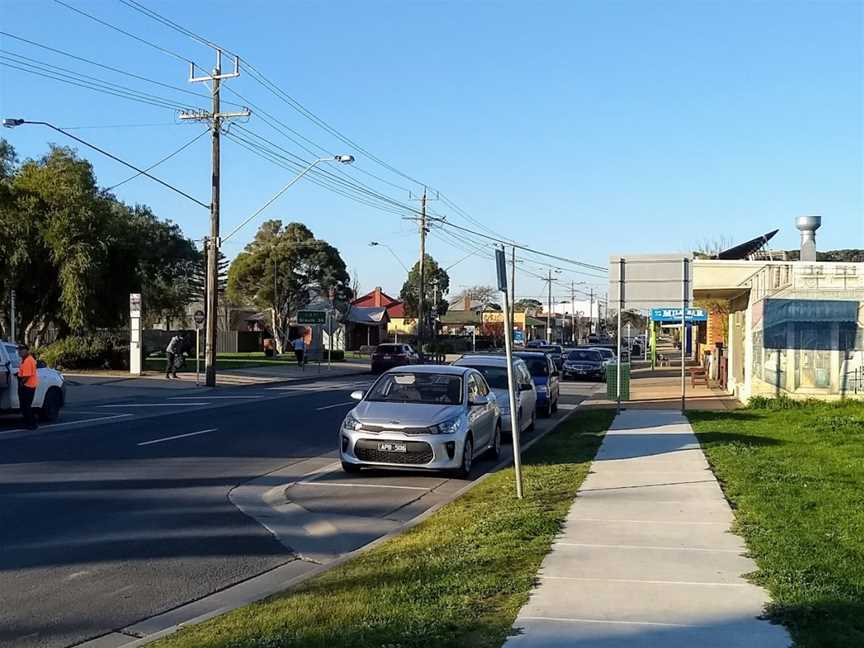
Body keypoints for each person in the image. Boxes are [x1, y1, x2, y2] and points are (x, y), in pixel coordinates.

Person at [17, 344, 39, 430]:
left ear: (26, 350)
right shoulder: (26, 359)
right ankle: (28, 423)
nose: (19, 352)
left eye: (21, 350)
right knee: (25, 406)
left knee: (25, 406)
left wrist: (21, 384)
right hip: (29, 386)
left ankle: (32, 424)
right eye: (19, 350)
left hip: (27, 386)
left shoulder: (28, 360)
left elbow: (26, 376)